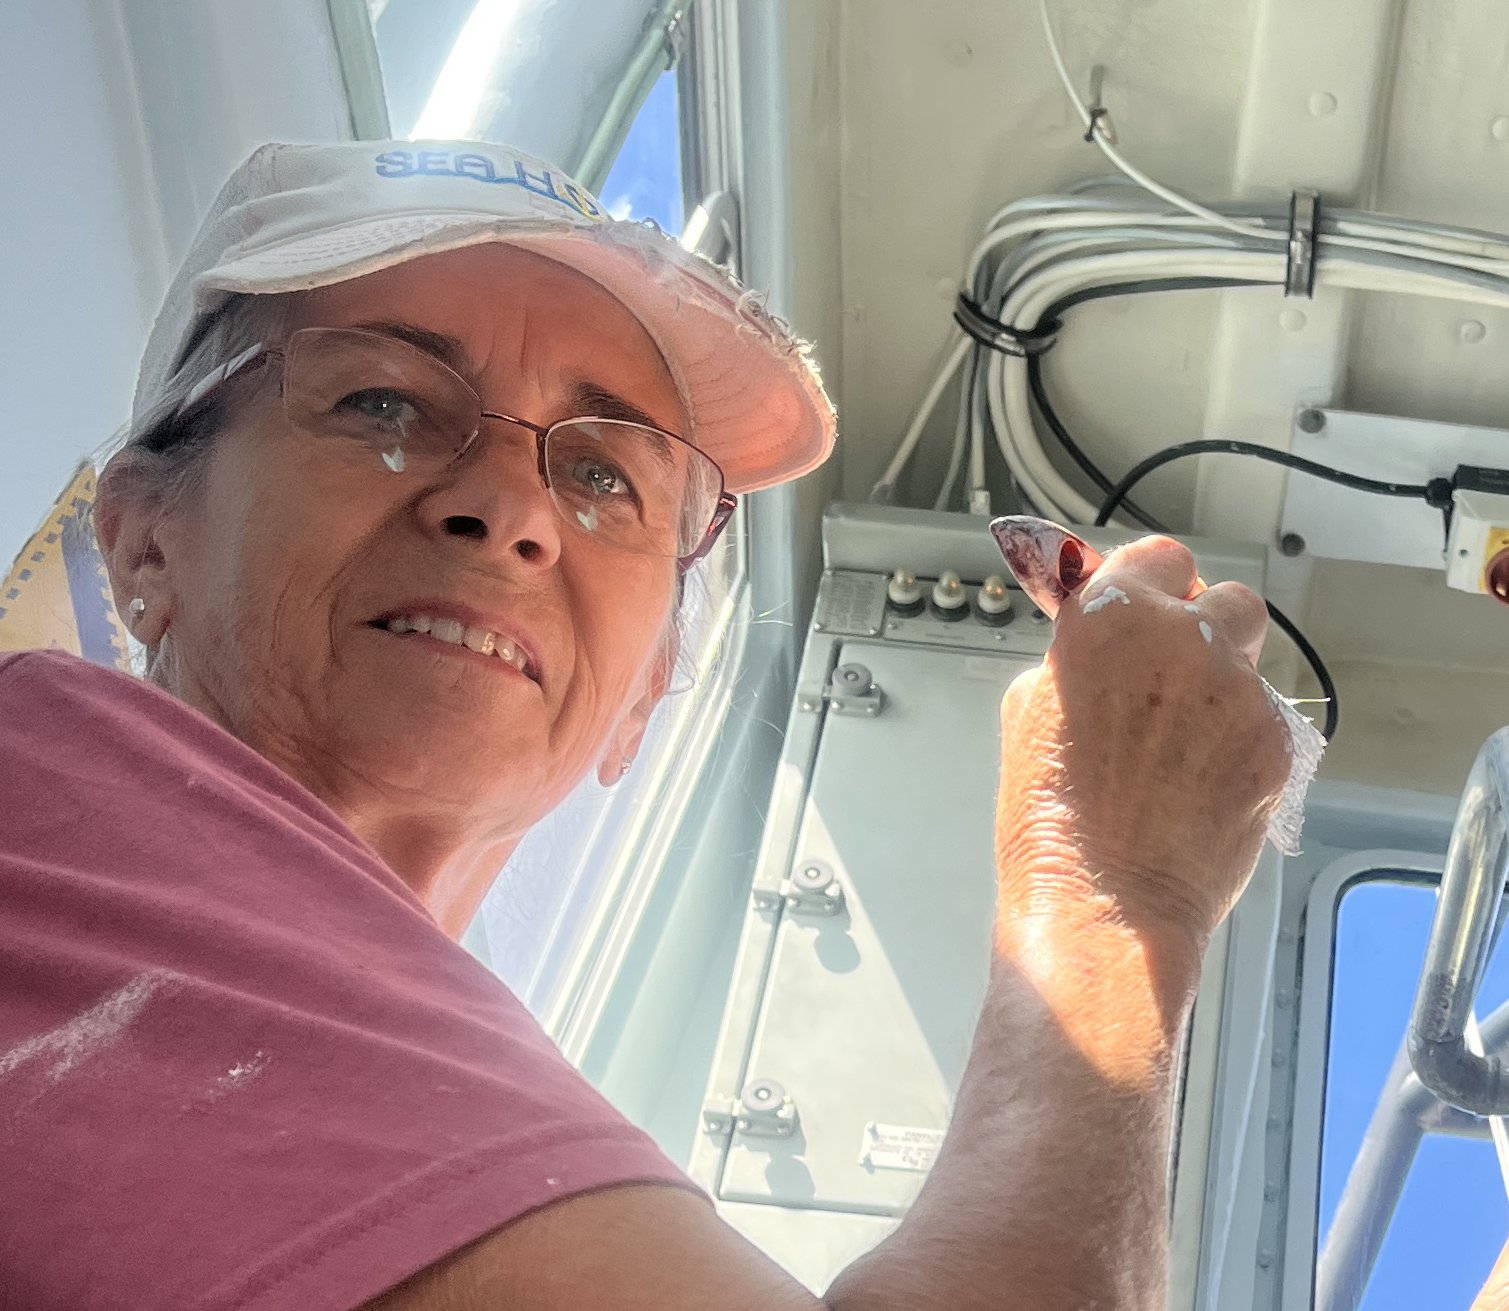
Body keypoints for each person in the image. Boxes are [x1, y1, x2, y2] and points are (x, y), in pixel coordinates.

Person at [0, 139, 1293, 1311]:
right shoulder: (34, 795)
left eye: (604, 474)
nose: (512, 507)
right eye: (383, 403)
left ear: (646, 692)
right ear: (140, 539)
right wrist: (1109, 880)